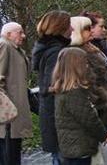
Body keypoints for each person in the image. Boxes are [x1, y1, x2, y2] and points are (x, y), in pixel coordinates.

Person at [69, 16, 107, 165]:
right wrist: (102, 98)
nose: (91, 31)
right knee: (102, 146)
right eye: (86, 28)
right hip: (98, 107)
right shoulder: (76, 52)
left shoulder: (92, 46)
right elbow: (87, 82)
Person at [51, 47, 107, 165]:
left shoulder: (64, 89)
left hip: (74, 146)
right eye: (84, 63)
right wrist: (104, 135)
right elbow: (89, 119)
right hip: (80, 147)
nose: (87, 66)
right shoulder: (74, 92)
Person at [32, 10, 72, 164]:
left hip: (53, 113)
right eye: (69, 26)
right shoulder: (56, 52)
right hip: (58, 115)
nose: (72, 29)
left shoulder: (50, 49)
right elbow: (52, 85)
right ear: (61, 28)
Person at [0, 22, 32, 164]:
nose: (23, 36)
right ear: (8, 34)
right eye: (20, 32)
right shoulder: (4, 45)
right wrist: (6, 109)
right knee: (9, 156)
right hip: (8, 117)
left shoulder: (14, 48)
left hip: (13, 115)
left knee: (13, 154)